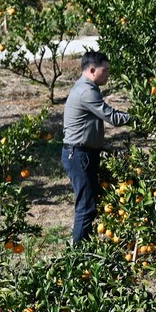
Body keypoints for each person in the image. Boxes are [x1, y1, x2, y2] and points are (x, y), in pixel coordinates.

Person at [62, 50, 132, 246]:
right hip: (79, 154)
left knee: (89, 204)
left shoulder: (86, 87)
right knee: (85, 205)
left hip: (83, 153)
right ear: (93, 70)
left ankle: (84, 247)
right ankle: (77, 256)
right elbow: (111, 117)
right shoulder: (87, 91)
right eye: (106, 70)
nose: (108, 74)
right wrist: (137, 117)